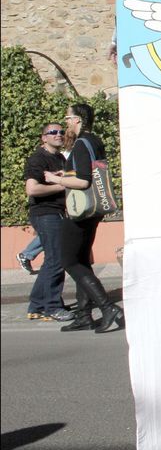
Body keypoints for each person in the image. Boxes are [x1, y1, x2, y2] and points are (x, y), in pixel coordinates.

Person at [44, 104, 124, 334]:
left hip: (81, 211)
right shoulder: (94, 141)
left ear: (78, 120)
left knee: (69, 260)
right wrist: (66, 174)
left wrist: (55, 179)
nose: (66, 122)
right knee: (81, 259)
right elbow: (89, 171)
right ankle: (83, 314)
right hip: (94, 210)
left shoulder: (80, 144)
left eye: (68, 118)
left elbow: (84, 181)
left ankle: (108, 309)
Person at [22, 122, 73, 322]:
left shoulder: (59, 158)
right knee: (57, 260)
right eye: (53, 132)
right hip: (45, 213)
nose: (58, 135)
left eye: (61, 131)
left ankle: (37, 305)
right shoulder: (38, 159)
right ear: (44, 137)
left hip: (57, 213)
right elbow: (32, 189)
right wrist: (61, 186)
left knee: (51, 261)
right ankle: (52, 307)